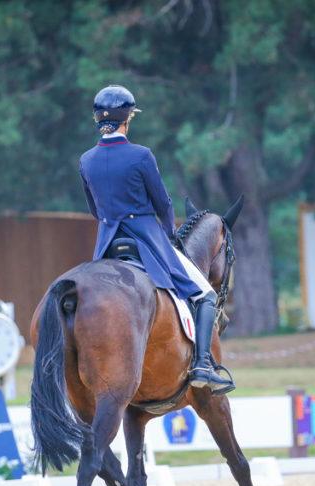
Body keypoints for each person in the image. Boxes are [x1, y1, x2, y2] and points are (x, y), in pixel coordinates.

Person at [79, 84, 234, 393]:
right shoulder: (141, 155)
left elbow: (94, 209)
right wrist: (168, 234)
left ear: (99, 120)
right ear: (127, 119)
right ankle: (202, 363)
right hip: (147, 237)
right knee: (204, 295)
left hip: (107, 242)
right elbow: (163, 202)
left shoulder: (86, 160)